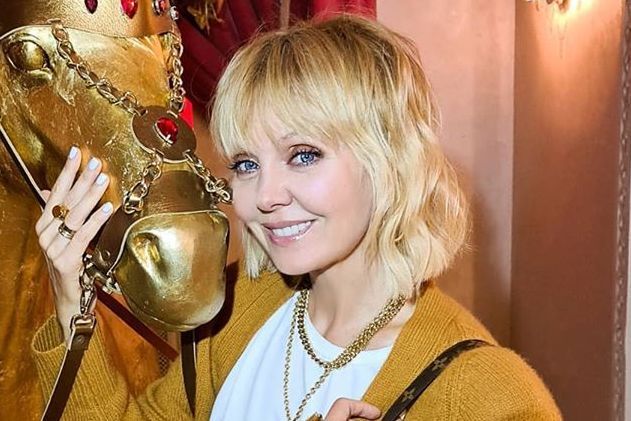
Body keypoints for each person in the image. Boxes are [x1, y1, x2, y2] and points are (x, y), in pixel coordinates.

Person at [32, 14, 561, 420]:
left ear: (389, 159)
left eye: (303, 155)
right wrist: (72, 301)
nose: (264, 197)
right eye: (246, 164)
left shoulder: (485, 394)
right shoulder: (235, 310)